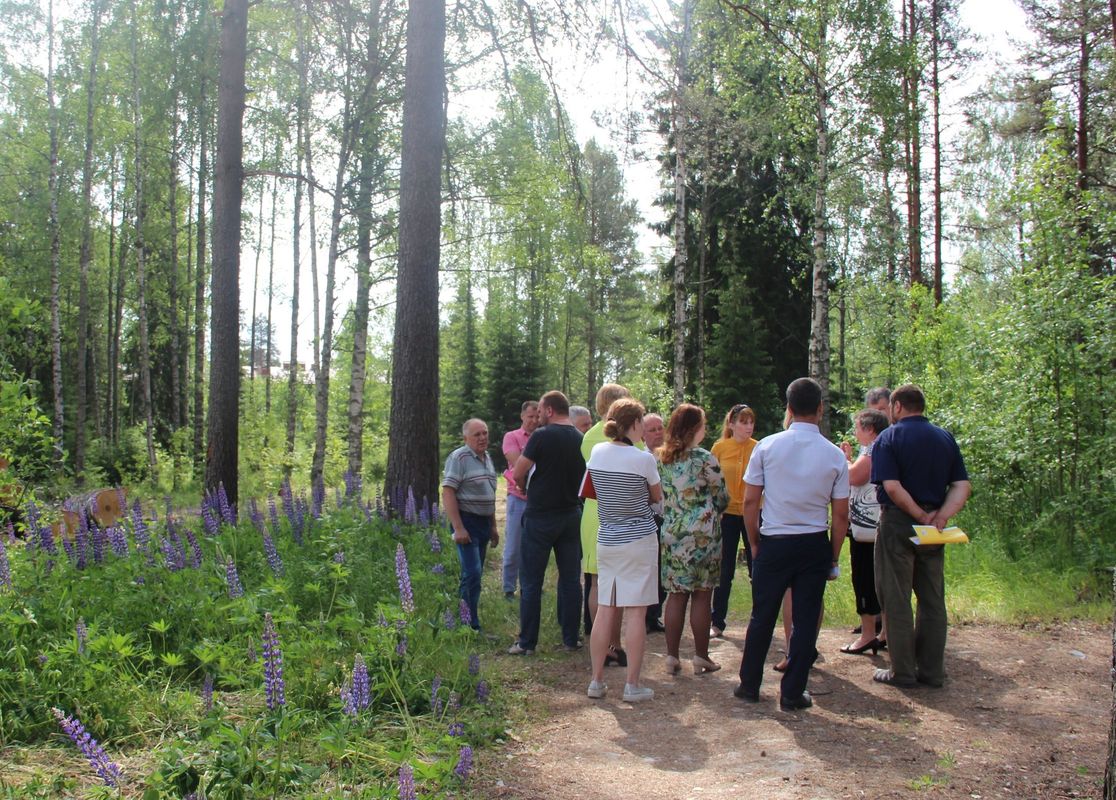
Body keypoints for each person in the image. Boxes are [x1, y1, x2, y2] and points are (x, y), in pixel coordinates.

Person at [734, 378, 849, 711]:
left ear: (788, 408)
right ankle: (792, 691)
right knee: (805, 618)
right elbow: (840, 515)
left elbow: (750, 502)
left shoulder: (766, 447)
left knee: (762, 616)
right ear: (820, 409)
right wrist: (833, 554)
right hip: (813, 542)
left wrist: (754, 542)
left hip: (774, 540)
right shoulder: (833, 455)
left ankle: (749, 685)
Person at [870, 384, 970, 688]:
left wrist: (917, 514)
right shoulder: (944, 437)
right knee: (932, 598)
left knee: (896, 595)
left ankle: (902, 670)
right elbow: (962, 485)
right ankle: (932, 670)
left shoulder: (889, 437)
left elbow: (893, 487)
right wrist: (940, 516)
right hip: (934, 527)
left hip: (900, 523)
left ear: (898, 406)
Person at [584, 398, 663, 702]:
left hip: (608, 537)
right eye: (642, 421)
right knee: (636, 611)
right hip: (639, 539)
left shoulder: (598, 452)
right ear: (634, 424)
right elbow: (656, 498)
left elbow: (593, 488)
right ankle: (632, 684)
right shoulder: (643, 459)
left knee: (606, 607)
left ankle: (596, 680)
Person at [509, 391, 585, 655]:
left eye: (540, 410)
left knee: (531, 581)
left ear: (550, 410)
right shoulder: (580, 437)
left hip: (540, 516)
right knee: (570, 580)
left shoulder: (541, 436)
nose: (538, 415)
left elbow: (518, 471)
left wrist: (523, 486)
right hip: (571, 514)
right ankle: (571, 638)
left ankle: (527, 642)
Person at [657, 403, 728, 676]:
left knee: (675, 595)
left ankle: (672, 657)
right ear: (695, 428)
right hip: (703, 534)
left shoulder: (661, 459)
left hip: (673, 532)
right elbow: (721, 496)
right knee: (702, 595)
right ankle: (701, 656)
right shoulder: (703, 458)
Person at [580, 384, 633, 664]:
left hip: (593, 508)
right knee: (614, 581)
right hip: (615, 507)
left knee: (598, 580)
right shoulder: (621, 437)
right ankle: (612, 642)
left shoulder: (589, 435)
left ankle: (601, 640)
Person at [839, 408, 889, 655]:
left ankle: (869, 634)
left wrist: (843, 461)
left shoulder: (873, 449)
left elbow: (855, 476)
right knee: (881, 579)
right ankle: (884, 633)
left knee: (865, 578)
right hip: (874, 525)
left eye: (858, 427)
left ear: (870, 429)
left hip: (868, 528)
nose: (855, 432)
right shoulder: (883, 447)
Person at [442, 419, 499, 633]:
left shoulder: (487, 458)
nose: (482, 437)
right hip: (467, 522)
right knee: (472, 573)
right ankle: (468, 625)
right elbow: (448, 492)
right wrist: (458, 527)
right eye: (477, 434)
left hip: (484, 523)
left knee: (475, 573)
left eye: (485, 433)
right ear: (465, 438)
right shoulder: (459, 458)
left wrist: (493, 526)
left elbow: (489, 494)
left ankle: (468, 621)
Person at [709, 403, 758, 638]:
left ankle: (759, 619)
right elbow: (710, 480)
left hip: (752, 513)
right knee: (725, 569)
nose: (748, 427)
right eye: (743, 422)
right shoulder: (719, 447)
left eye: (751, 422)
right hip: (726, 514)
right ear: (731, 424)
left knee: (756, 566)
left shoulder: (759, 448)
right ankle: (717, 621)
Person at [501, 401, 539, 599]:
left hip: (538, 499)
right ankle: (508, 587)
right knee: (514, 545)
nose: (534, 420)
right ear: (522, 416)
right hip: (518, 498)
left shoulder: (543, 437)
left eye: (537, 417)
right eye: (530, 416)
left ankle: (530, 587)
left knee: (534, 546)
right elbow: (518, 463)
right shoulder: (512, 437)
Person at [642, 413, 667, 633]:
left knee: (664, 570)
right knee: (650, 568)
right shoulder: (640, 457)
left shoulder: (672, 455)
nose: (659, 433)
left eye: (661, 428)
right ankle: (646, 616)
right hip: (649, 518)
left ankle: (655, 614)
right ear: (642, 434)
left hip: (669, 518)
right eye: (653, 430)